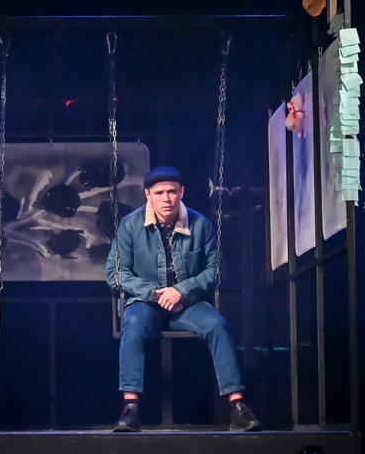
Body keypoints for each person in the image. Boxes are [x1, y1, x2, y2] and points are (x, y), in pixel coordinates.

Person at [105, 165, 261, 433]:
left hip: (186, 304)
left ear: (182, 192)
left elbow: (214, 270)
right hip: (146, 303)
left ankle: (237, 406)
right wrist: (155, 293)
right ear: (148, 194)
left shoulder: (201, 224)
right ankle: (130, 408)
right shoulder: (130, 225)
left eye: (172, 192)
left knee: (217, 325)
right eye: (159, 193)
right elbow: (115, 273)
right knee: (134, 323)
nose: (166, 198)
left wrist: (182, 291)